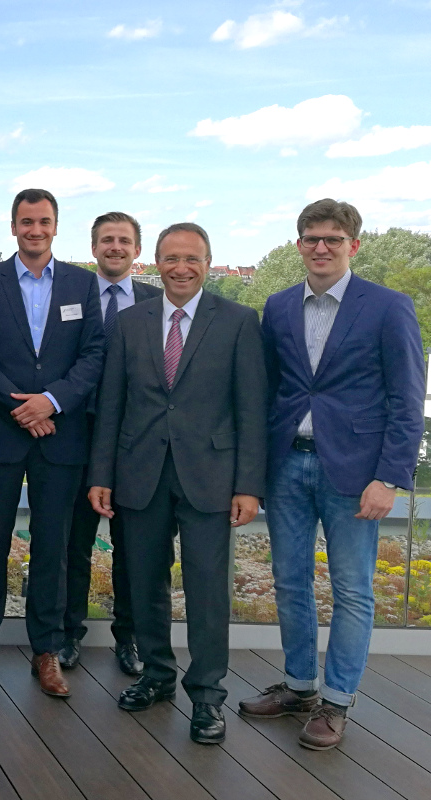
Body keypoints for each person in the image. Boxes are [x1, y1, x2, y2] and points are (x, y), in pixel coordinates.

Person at [239, 200, 425, 750]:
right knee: (290, 582)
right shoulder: (276, 307)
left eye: (332, 239)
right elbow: (268, 390)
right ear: (298, 244)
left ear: (353, 246)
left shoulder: (389, 307)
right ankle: (299, 686)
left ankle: (337, 701)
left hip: (355, 473)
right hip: (286, 463)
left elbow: (407, 399)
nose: (321, 247)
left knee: (352, 589)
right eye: (311, 238)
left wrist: (388, 477)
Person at [89, 222, 266, 745]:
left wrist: (249, 485)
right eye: (171, 258)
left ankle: (208, 696)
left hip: (211, 479)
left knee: (208, 591)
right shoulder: (128, 322)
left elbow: (251, 409)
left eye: (192, 258)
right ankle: (157, 676)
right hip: (139, 475)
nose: (181, 268)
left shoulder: (237, 321)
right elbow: (112, 405)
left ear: (208, 263)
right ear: (155, 263)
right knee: (144, 585)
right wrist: (101, 474)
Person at [0, 189, 105, 699]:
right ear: (13, 226)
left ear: (56, 227)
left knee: (53, 550)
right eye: (26, 221)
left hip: (61, 439)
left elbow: (94, 354)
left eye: (43, 221)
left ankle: (47, 652)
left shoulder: (82, 284)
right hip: (0, 436)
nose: (34, 229)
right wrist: (21, 405)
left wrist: (53, 401)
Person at [58, 212, 161, 676]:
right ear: (94, 246)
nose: (115, 247)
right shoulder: (71, 295)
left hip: (135, 442)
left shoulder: (159, 303)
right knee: (72, 543)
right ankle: (68, 635)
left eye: (124, 240)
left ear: (137, 250)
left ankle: (129, 639)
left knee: (132, 546)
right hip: (76, 437)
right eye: (106, 240)